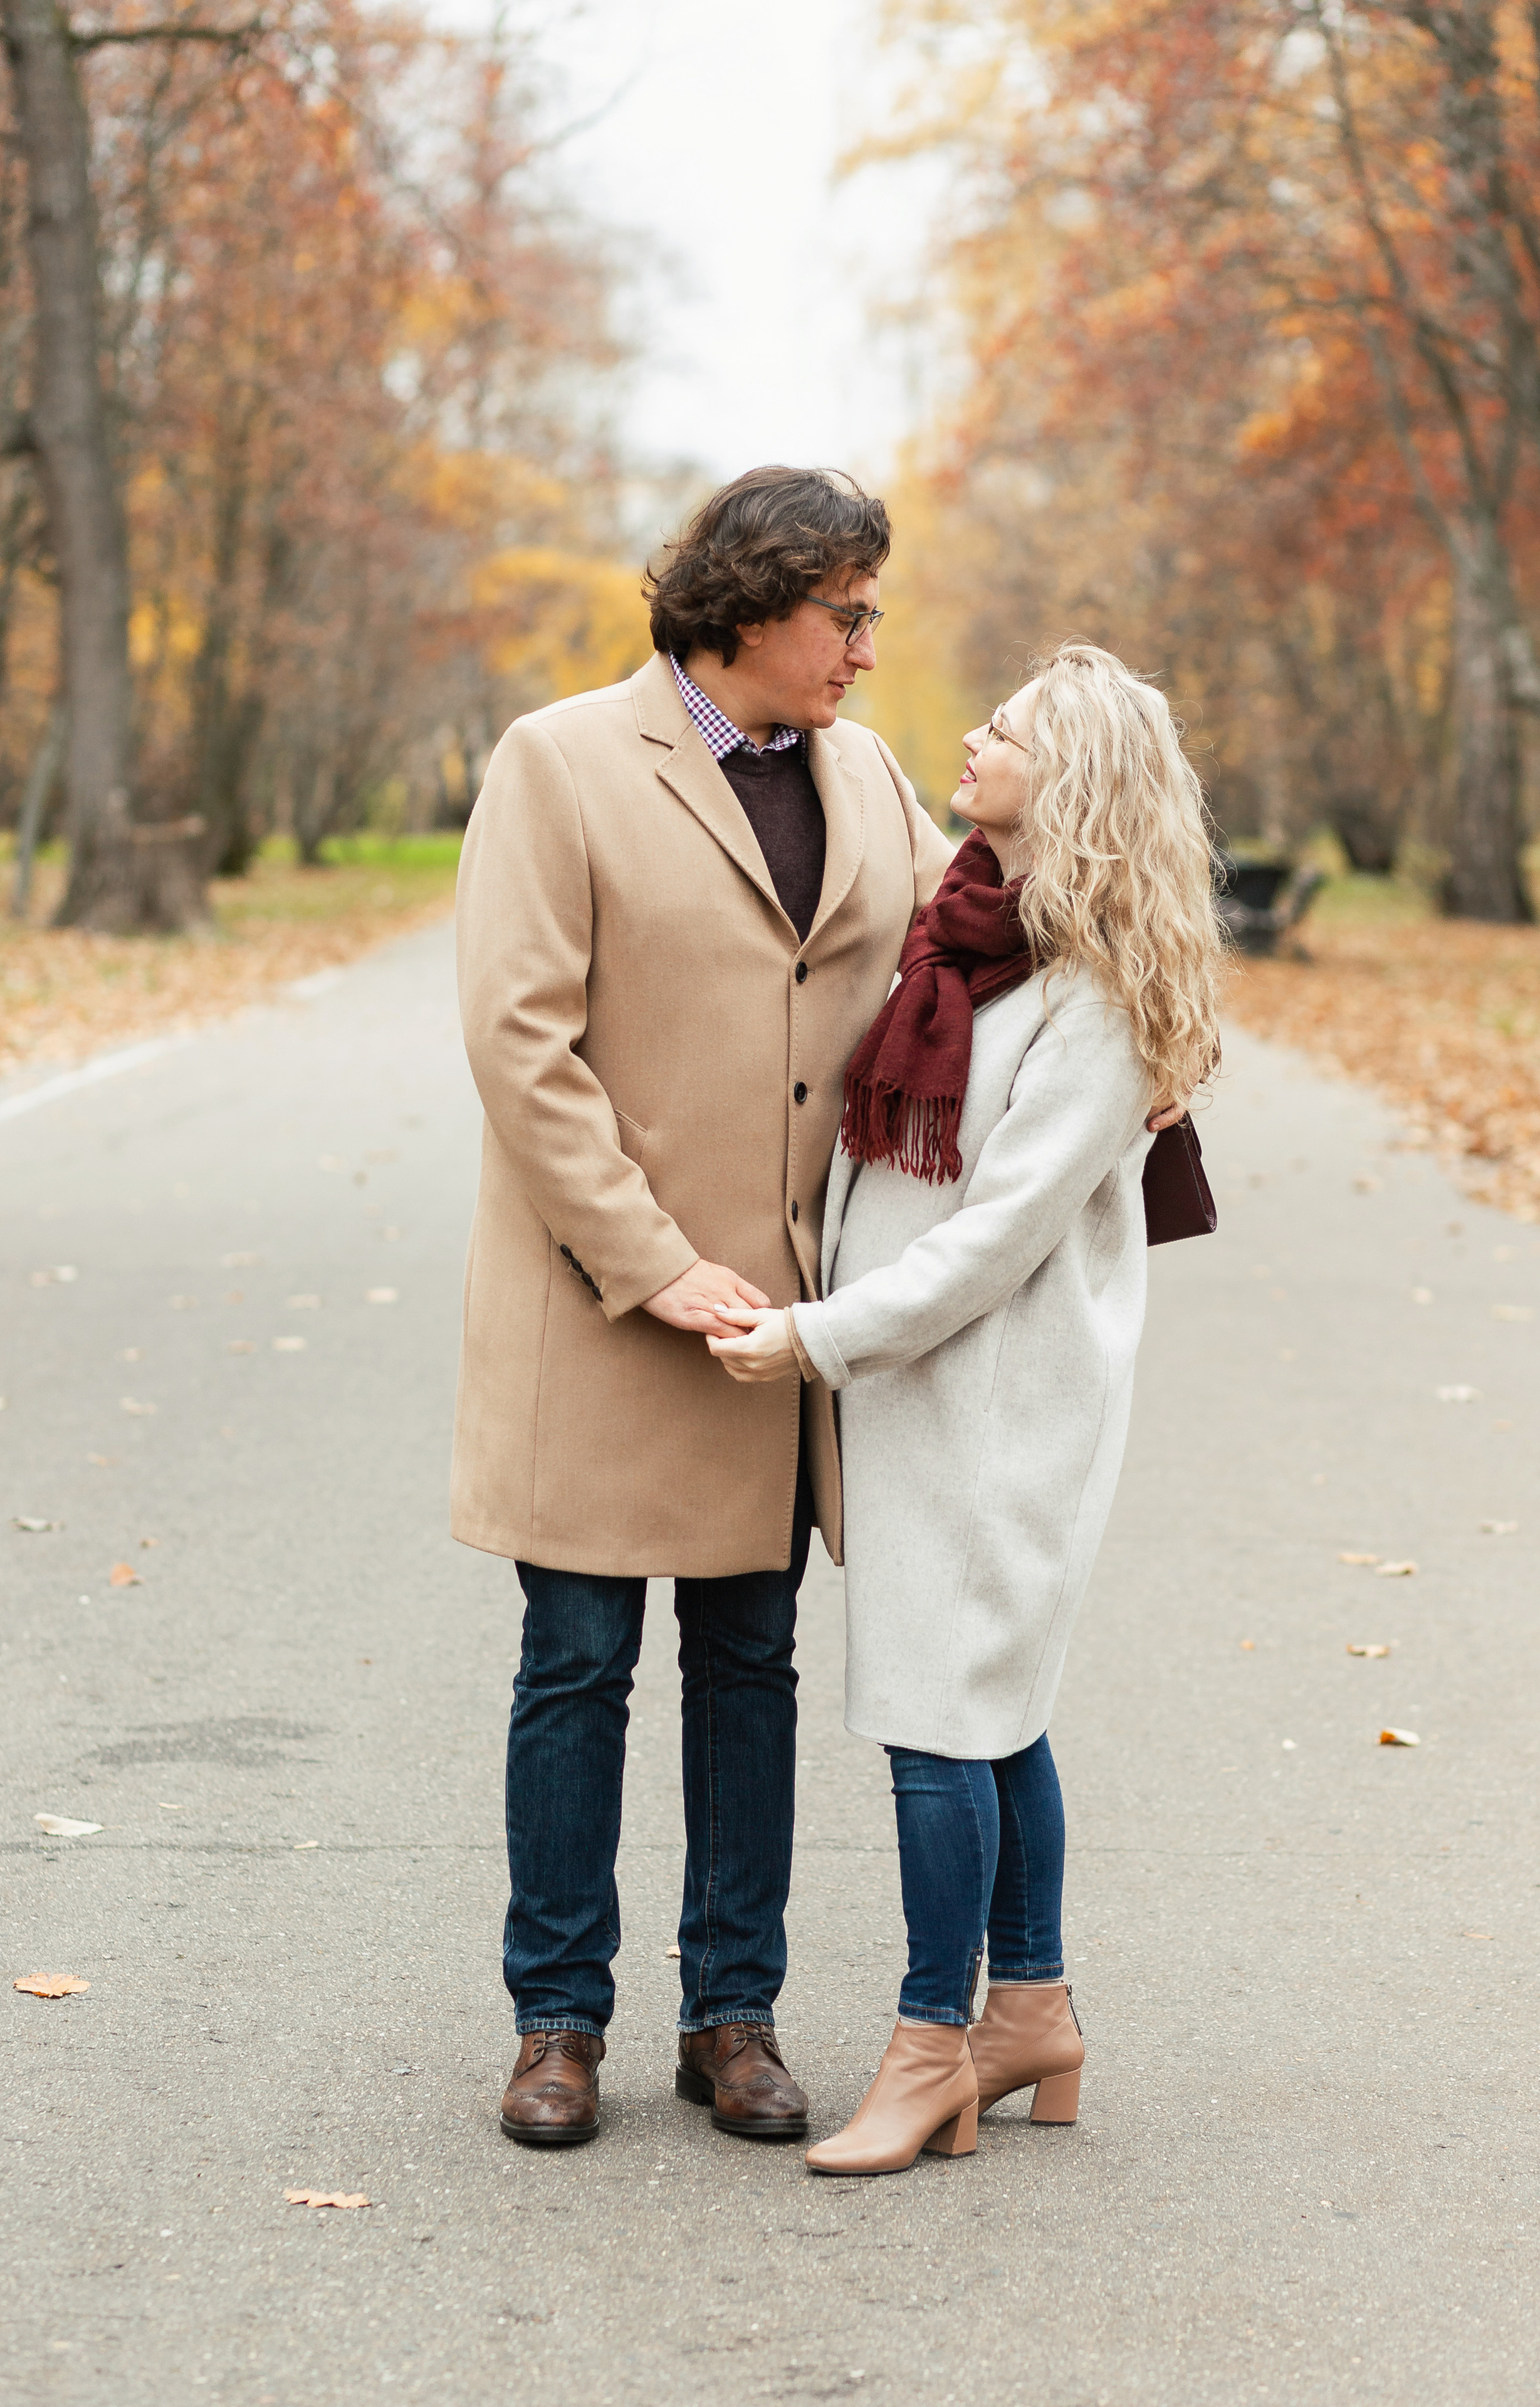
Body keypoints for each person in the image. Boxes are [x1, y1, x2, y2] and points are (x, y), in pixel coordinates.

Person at [451, 465, 956, 2148]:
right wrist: (653, 1261)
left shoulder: (870, 776)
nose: (868, 650)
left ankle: (731, 2015)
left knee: (752, 1661)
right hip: (603, 1306)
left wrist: (1142, 1034)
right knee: (577, 1660)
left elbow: (970, 953)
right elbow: (524, 1046)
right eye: (849, 614)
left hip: (781, 1328)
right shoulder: (560, 762)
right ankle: (557, 2019)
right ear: (753, 604)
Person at [711, 641, 1223, 2176]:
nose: (972, 740)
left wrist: (812, 1338)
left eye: (1002, 733)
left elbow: (991, 1244)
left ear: (1057, 783)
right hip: (927, 1396)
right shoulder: (973, 928)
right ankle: (1034, 2012)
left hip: (995, 1407)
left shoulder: (1090, 1000)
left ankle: (934, 2043)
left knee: (938, 1719)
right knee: (994, 1717)